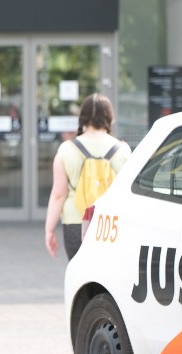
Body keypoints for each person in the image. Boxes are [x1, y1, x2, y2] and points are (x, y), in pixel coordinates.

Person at [45, 93, 131, 260]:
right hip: (111, 224)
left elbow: (58, 194)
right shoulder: (123, 150)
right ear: (110, 117)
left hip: (75, 222)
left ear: (82, 118)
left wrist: (49, 230)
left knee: (79, 275)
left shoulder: (66, 150)